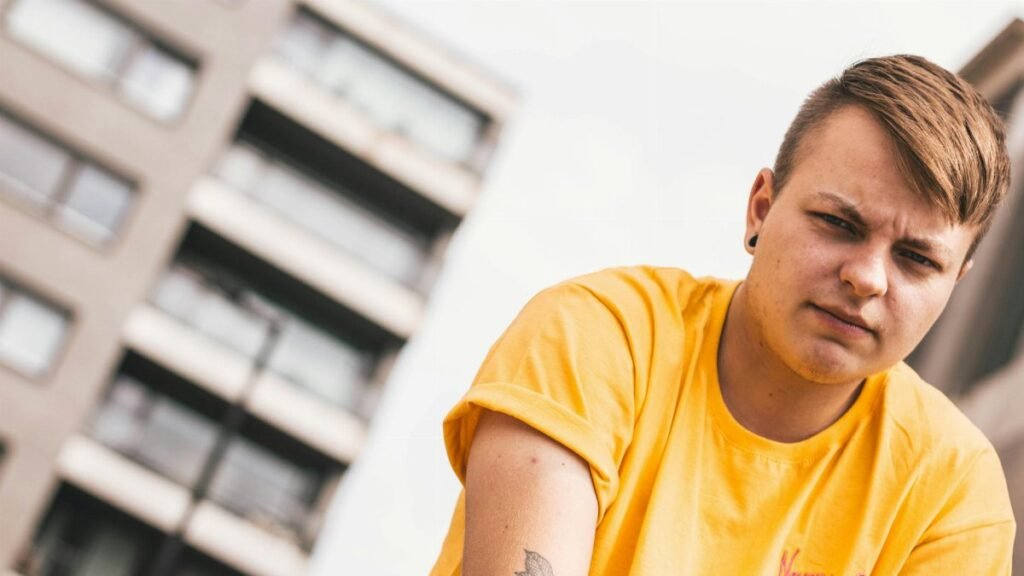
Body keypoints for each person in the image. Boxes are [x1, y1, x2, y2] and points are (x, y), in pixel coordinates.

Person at [430, 55, 1016, 575]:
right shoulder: (600, 335)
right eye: (839, 224)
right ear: (760, 209)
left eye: (916, 259)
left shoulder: (954, 490)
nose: (867, 277)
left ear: (955, 284)